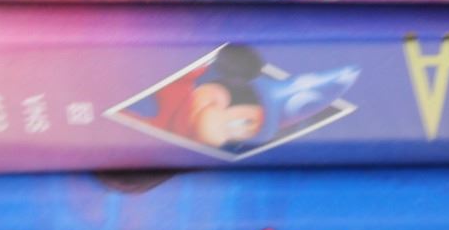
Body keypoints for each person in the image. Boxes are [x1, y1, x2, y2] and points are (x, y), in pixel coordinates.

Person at [135, 44, 361, 152]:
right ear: (219, 97)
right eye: (244, 123)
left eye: (245, 134)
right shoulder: (175, 85)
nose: (239, 133)